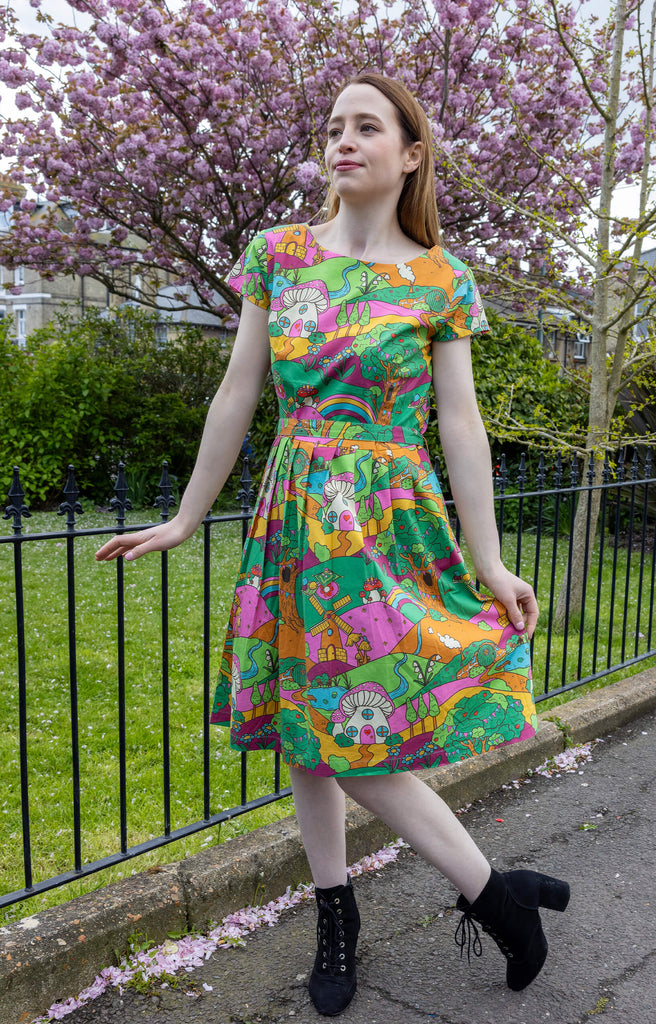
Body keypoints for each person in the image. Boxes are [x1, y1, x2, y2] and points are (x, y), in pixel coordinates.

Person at [96, 72, 569, 1016]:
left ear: (410, 153)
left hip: (388, 520)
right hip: (296, 512)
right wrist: (188, 516)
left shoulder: (439, 276)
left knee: (358, 730)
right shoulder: (279, 255)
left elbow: (460, 422)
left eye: (366, 127)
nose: (341, 141)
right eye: (332, 128)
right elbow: (237, 394)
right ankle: (336, 913)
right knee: (309, 735)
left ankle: (493, 894)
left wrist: (488, 556)